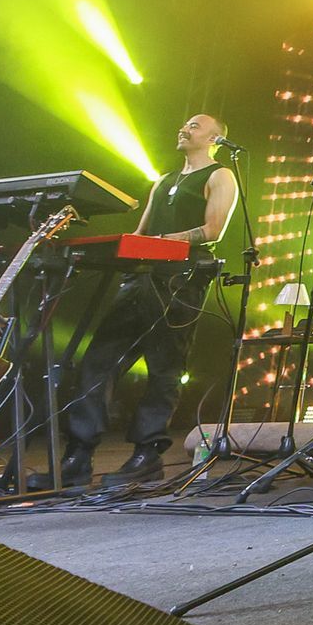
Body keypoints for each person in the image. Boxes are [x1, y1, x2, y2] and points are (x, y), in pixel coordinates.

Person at [44, 114, 238, 488]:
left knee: (163, 369)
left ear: (214, 137)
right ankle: (79, 455)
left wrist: (160, 242)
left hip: (180, 283)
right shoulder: (163, 180)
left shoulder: (219, 175)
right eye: (183, 124)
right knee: (97, 362)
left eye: (195, 126)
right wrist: (124, 248)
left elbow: (212, 230)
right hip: (140, 278)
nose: (184, 128)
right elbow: (140, 233)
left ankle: (147, 453)